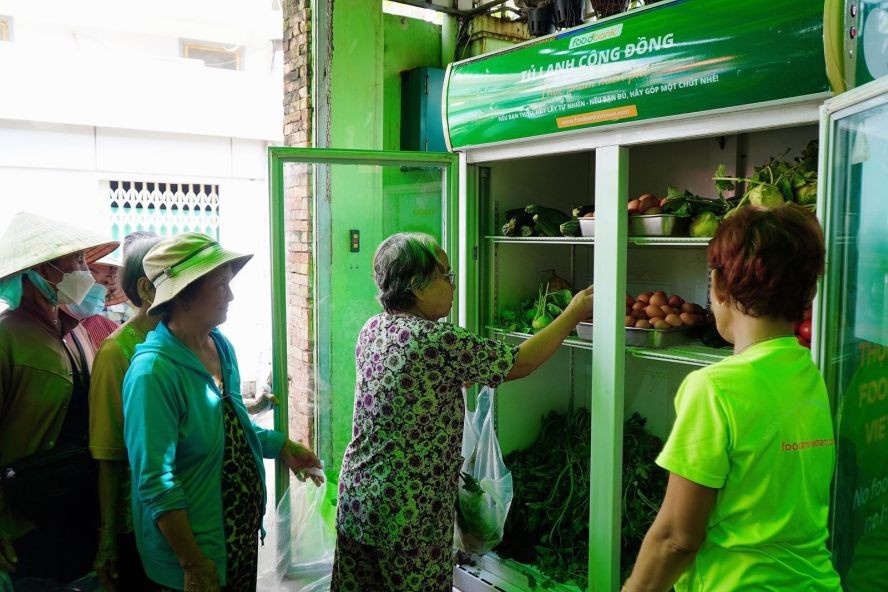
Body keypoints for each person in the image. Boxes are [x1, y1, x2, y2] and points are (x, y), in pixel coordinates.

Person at [330, 232, 594, 592]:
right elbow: (521, 363)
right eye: (444, 276)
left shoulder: (374, 328)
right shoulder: (435, 339)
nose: (452, 285)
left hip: (359, 500)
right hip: (409, 515)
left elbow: (408, 390)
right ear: (415, 285)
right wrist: (573, 312)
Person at [622, 205, 841, 592]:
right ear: (809, 290)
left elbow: (676, 538)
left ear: (720, 286)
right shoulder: (809, 373)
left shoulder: (715, 387)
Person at [122, 232, 322, 592]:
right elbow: (155, 481)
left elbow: (229, 426)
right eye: (221, 285)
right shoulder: (154, 374)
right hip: (192, 558)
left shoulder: (220, 346)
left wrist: (281, 446)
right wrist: (193, 562)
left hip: (236, 543)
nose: (231, 295)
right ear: (184, 295)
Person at [0, 212, 117, 586]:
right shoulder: (8, 338)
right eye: (76, 262)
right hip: (26, 518)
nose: (86, 271)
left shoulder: (70, 331)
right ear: (40, 272)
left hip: (75, 503)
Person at [89, 233, 162, 592]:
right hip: (138, 517)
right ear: (146, 289)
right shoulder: (117, 350)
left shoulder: (182, 339)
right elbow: (108, 451)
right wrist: (108, 536)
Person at [80, 253, 126, 349]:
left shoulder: (112, 331)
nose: (97, 286)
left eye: (105, 282)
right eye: (90, 276)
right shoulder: (45, 325)